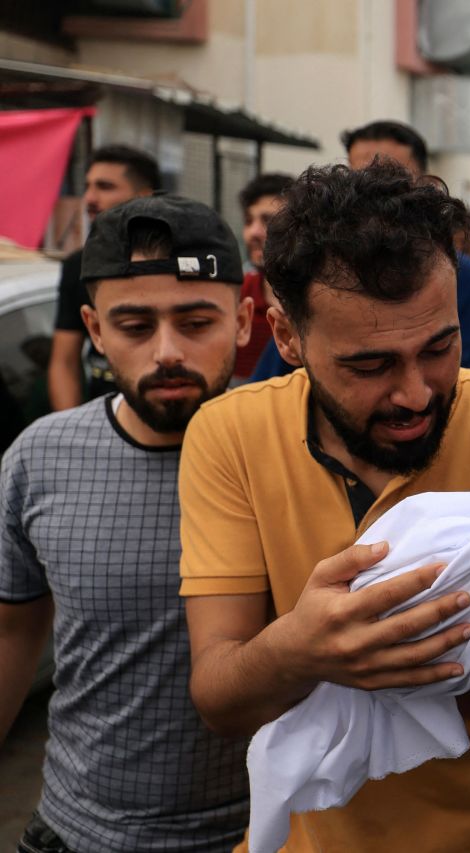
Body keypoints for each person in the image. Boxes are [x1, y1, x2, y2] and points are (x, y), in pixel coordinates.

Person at [179, 162, 470, 852]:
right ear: (286, 336)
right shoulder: (228, 436)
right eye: (370, 365)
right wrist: (302, 649)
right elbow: (218, 691)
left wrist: (385, 656)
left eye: (440, 347)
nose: (416, 393)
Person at [1, 195, 253, 852]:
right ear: (93, 328)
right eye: (135, 325)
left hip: (256, 837)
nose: (167, 352)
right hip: (72, 832)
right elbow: (11, 636)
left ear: (246, 318)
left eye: (197, 321)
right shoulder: (38, 457)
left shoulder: (296, 455)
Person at [340, 120, 470, 388]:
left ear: (422, 185)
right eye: (359, 179)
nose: (372, 194)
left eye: (389, 180)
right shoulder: (320, 281)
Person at [48, 145, 158, 410]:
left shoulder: (177, 263)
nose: (89, 198)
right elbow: (64, 361)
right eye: (87, 186)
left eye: (105, 186)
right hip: (101, 421)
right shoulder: (78, 266)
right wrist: (72, 432)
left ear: (143, 196)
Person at [236, 172, 293, 381]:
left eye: (267, 220)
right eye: (248, 221)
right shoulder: (237, 297)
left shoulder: (319, 303)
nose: (253, 233)